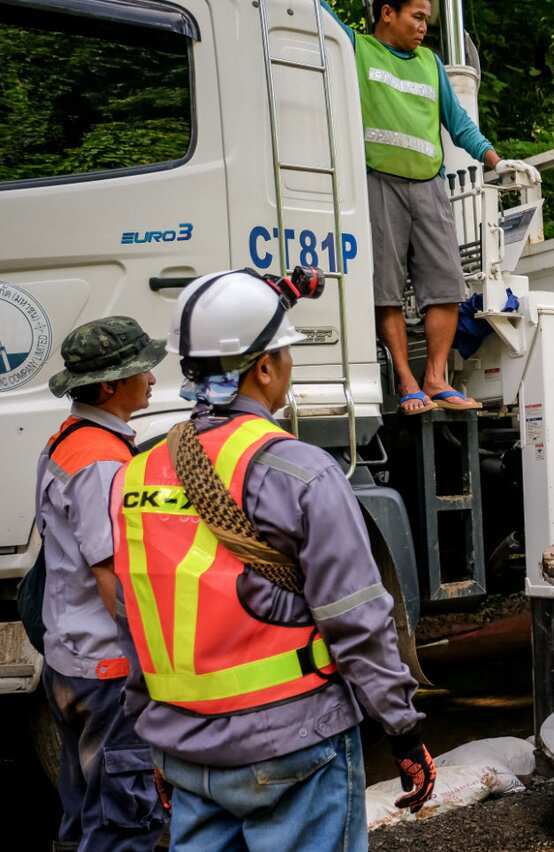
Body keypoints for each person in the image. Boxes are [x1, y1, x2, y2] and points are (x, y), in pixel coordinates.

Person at [110, 269, 434, 849]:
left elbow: (137, 625)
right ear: (263, 368)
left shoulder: (135, 475)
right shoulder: (301, 472)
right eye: (284, 353)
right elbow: (358, 620)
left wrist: (154, 741)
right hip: (293, 743)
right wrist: (403, 731)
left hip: (185, 749)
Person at [323, 0, 541, 414]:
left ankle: (436, 378)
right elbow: (318, 14)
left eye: (427, 19)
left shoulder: (431, 64)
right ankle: (407, 382)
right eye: (417, 17)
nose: (424, 27)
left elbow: (458, 124)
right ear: (388, 12)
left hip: (429, 185)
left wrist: (496, 160)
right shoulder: (355, 48)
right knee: (385, 288)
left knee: (445, 286)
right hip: (377, 181)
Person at [38, 317, 168, 851]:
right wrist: (150, 664)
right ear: (112, 385)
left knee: (82, 813)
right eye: (143, 369)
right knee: (124, 823)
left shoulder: (67, 441)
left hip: (69, 658)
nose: (154, 379)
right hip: (106, 667)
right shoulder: (102, 461)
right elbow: (111, 571)